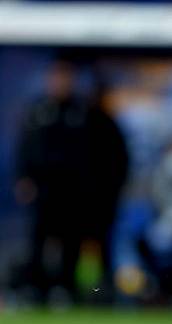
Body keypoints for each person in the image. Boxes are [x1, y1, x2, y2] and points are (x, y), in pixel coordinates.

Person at [14, 60, 128, 305]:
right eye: (56, 77)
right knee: (38, 242)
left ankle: (65, 289)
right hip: (43, 191)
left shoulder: (82, 114)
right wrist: (23, 178)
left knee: (71, 243)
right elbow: (25, 149)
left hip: (72, 193)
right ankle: (34, 290)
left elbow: (96, 157)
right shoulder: (39, 111)